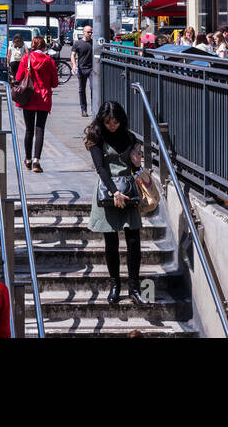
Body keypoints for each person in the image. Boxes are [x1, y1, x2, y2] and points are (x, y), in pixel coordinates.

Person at [85, 101, 145, 306]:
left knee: (134, 241)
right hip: (108, 191)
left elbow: (136, 169)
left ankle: (134, 287)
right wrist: (114, 191)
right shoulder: (96, 137)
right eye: (108, 122)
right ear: (102, 120)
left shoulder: (129, 138)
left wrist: (137, 164)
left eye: (116, 121)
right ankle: (115, 285)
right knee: (111, 242)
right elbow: (100, 169)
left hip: (127, 192)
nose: (112, 125)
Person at [14, 35, 58, 173]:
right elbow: (55, 83)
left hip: (29, 97)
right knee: (40, 129)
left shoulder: (26, 58)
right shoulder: (49, 61)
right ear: (44, 46)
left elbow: (18, 78)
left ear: (32, 46)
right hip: (44, 98)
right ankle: (36, 161)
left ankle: (27, 159)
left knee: (29, 130)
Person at [71, 24, 94, 117]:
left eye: (91, 32)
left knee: (93, 88)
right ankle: (83, 110)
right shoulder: (77, 43)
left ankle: (94, 109)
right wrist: (74, 65)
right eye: (88, 32)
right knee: (82, 90)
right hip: (81, 69)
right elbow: (73, 55)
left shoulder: (93, 43)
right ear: (83, 32)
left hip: (91, 69)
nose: (90, 34)